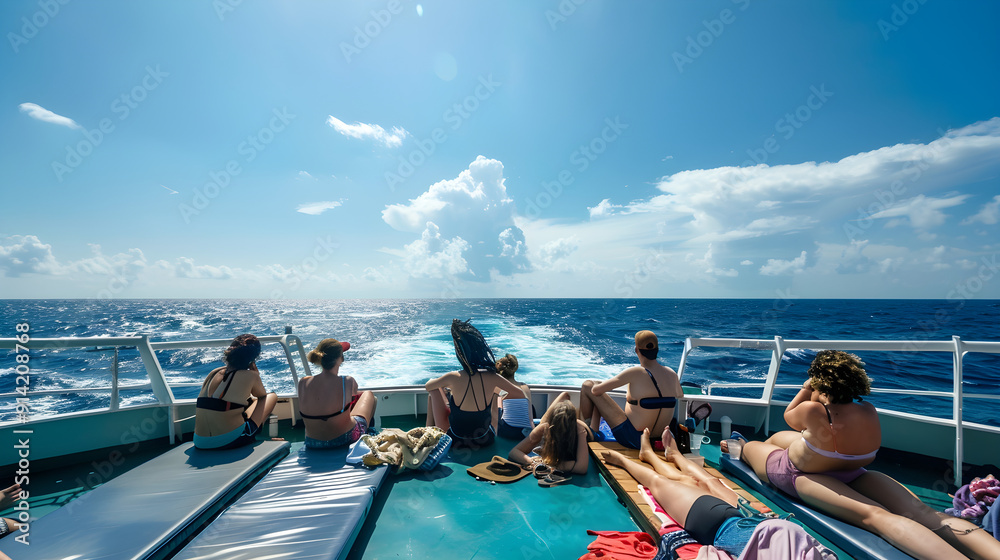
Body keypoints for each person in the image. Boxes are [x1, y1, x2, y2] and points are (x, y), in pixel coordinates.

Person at [733, 350, 1000, 560]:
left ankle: (735, 445)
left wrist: (806, 389)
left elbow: (789, 416)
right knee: (926, 513)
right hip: (853, 473)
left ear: (821, 383)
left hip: (802, 474)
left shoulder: (813, 410)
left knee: (877, 516)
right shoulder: (868, 410)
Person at [600, 429, 831, 558]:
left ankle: (640, 456)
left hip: (723, 524)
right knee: (708, 480)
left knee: (665, 482)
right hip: (748, 520)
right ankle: (674, 456)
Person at [426, 323, 526, 448]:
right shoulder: (493, 377)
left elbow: (428, 386)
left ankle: (427, 433)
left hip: (455, 440)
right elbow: (520, 394)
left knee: (434, 389)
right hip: (484, 439)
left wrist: (445, 388)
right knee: (494, 394)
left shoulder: (453, 376)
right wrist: (497, 394)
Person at [578, 330, 682, 449]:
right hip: (660, 439)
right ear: (657, 350)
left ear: (636, 350)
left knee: (587, 385)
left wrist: (599, 384)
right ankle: (591, 430)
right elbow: (679, 394)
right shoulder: (672, 373)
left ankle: (587, 431)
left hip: (633, 438)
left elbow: (595, 391)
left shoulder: (635, 372)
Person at [194, 334, 278, 450]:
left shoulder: (213, 373)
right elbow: (262, 396)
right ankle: (254, 435)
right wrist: (256, 375)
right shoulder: (251, 376)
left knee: (246, 403)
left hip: (200, 441)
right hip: (230, 441)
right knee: (270, 397)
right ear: (252, 359)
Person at [298, 338, 377, 449]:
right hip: (344, 439)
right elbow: (355, 393)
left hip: (312, 442)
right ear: (341, 359)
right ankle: (370, 436)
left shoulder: (303, 382)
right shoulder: (347, 381)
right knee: (368, 395)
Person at [508, 393, 592, 476]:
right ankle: (563, 396)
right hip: (549, 424)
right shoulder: (544, 428)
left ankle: (564, 397)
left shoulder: (580, 431)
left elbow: (581, 468)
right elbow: (513, 453)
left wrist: (546, 463)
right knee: (562, 399)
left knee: (563, 402)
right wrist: (531, 461)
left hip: (586, 430)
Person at [494, 354, 534, 439]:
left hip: (508, 431)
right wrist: (533, 435)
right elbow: (530, 418)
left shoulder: (499, 389)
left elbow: (495, 414)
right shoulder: (525, 387)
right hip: (524, 432)